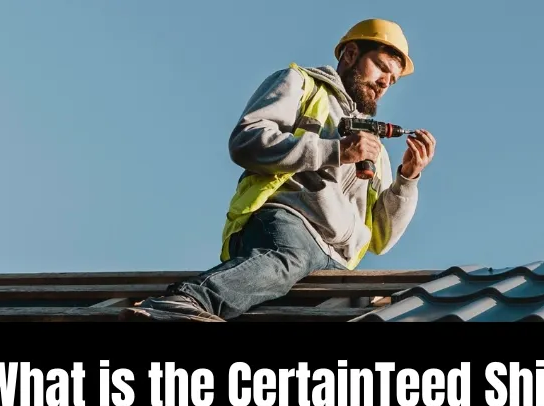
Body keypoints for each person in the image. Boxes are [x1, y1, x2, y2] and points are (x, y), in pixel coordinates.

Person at [120, 18, 435, 322]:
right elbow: (247, 141)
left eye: (392, 79)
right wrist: (336, 150)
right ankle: (184, 302)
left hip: (336, 261)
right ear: (351, 54)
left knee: (359, 307)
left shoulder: (374, 150)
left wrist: (407, 179)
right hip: (290, 225)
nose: (385, 82)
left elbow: (382, 239)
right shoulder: (301, 85)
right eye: (381, 67)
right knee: (287, 259)